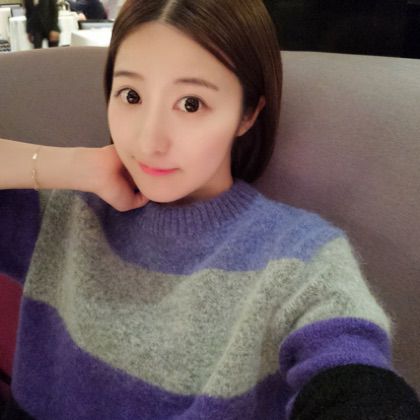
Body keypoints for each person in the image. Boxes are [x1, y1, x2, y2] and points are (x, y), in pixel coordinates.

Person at [0, 0, 419, 418]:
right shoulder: (68, 208)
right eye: (131, 95)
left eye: (191, 104)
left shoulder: (301, 260)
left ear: (247, 113)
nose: (149, 141)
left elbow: (351, 376)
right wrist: (73, 165)